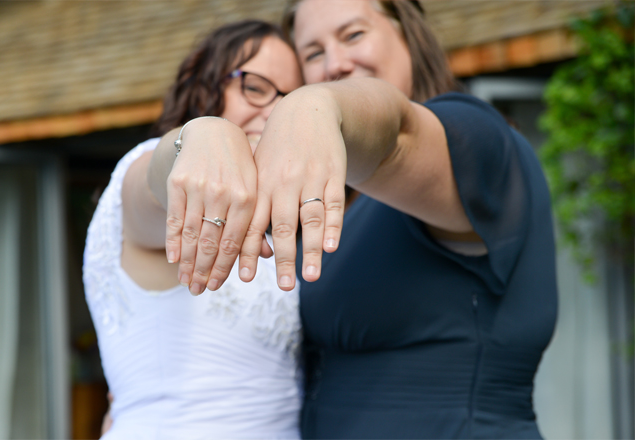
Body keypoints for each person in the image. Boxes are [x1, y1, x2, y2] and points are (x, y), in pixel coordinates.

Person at [160, 1, 558, 438]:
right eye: (313, 53)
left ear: (408, 35)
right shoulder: (341, 200)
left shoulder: (475, 139)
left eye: (353, 35)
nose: (336, 64)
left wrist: (317, 104)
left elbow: (398, 133)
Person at [83, 20, 303, 439]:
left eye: (291, 99)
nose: (274, 111)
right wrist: (201, 136)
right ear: (205, 85)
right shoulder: (147, 170)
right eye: (255, 86)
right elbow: (154, 186)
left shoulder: (276, 222)